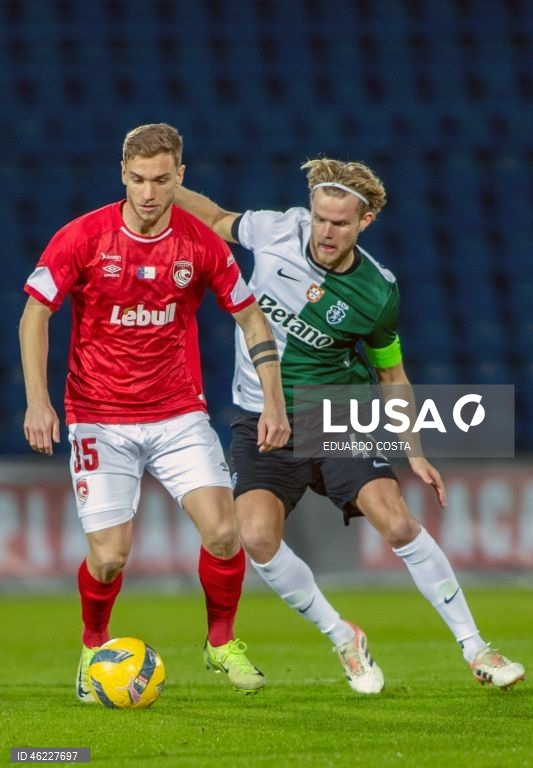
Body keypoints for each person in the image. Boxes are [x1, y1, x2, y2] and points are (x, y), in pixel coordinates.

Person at [174, 157, 525, 693]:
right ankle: (343, 636)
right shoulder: (277, 230)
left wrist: (416, 452)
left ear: (365, 222)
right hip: (259, 415)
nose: (326, 232)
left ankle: (477, 648)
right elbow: (218, 217)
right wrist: (166, 188)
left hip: (334, 413)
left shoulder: (377, 292)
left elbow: (392, 372)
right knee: (256, 536)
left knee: (398, 522)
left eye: (340, 222)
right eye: (320, 218)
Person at [19, 123, 290, 701]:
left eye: (161, 180)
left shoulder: (201, 245)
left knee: (224, 532)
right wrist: (38, 401)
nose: (148, 192)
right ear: (123, 175)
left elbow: (250, 317)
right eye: (139, 179)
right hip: (97, 414)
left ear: (180, 178)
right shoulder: (82, 237)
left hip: (177, 413)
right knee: (111, 556)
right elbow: (35, 314)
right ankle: (94, 646)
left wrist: (274, 399)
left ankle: (221, 644)